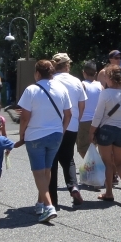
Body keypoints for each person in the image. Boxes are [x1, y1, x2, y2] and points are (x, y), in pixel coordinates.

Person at [15, 60, 73, 224]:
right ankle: (40, 203)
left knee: (39, 172)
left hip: (35, 135)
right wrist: (62, 130)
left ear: (38, 73)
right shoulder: (61, 89)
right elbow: (68, 114)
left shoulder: (31, 90)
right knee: (47, 170)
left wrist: (22, 135)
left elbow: (24, 117)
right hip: (56, 134)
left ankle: (48, 206)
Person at [90, 66, 121, 204]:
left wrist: (91, 131)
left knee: (107, 163)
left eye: (106, 77)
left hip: (106, 130)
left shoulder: (105, 94)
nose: (105, 79)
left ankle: (109, 193)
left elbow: (98, 115)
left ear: (111, 78)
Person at [49, 53, 88, 206]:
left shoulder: (50, 81)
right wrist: (77, 119)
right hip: (72, 125)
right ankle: (73, 186)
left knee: (52, 160)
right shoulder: (76, 81)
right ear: (67, 65)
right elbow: (82, 105)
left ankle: (53, 199)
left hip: (53, 125)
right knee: (68, 158)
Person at [78, 61, 104, 158]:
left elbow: (79, 103)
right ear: (96, 73)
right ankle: (96, 162)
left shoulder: (82, 85)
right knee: (96, 144)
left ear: (83, 73)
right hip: (98, 120)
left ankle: (92, 164)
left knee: (82, 147)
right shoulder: (100, 86)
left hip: (84, 120)